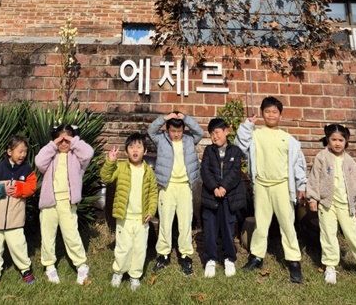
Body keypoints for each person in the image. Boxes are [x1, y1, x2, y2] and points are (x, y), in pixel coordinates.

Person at [235, 96, 306, 283]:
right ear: (262, 113)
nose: (271, 115)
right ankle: (256, 257)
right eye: (267, 111)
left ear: (280, 115)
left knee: (287, 224)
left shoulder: (289, 139)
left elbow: (298, 164)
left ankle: (294, 261)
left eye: (274, 112)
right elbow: (239, 147)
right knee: (260, 224)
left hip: (282, 185)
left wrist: (301, 185)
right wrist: (247, 126)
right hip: (261, 185)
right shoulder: (255, 135)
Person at [307, 123, 356, 284]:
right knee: (328, 234)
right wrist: (313, 198)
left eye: (341, 140)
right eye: (334, 139)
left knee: (353, 235)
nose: (337, 143)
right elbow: (314, 179)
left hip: (346, 205)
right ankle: (330, 266)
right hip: (327, 204)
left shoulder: (350, 162)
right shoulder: (321, 157)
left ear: (346, 141)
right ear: (327, 140)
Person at [35, 123, 94, 285]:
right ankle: (49, 266)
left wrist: (72, 140)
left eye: (66, 140)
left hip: (67, 203)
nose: (63, 143)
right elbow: (39, 161)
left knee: (71, 234)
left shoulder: (77, 157)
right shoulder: (51, 156)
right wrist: (52, 145)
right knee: (47, 236)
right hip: (49, 202)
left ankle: (81, 265)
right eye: (59, 140)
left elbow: (88, 153)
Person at [100, 132, 158, 291]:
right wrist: (110, 161)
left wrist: (151, 211)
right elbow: (106, 177)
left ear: (145, 151)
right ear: (126, 152)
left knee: (139, 248)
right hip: (124, 217)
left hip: (141, 219)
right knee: (123, 247)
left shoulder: (148, 172)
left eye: (139, 147)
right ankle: (118, 272)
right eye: (131, 147)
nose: (135, 150)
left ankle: (135, 275)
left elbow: (153, 193)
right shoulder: (121, 168)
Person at [148, 111, 203, 275]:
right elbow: (151, 130)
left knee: (185, 222)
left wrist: (185, 118)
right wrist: (165, 118)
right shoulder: (161, 139)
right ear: (167, 129)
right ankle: (163, 255)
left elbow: (200, 132)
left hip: (185, 186)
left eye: (179, 131)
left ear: (183, 130)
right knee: (165, 221)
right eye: (173, 131)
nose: (176, 134)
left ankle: (185, 255)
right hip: (167, 186)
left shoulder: (189, 139)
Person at [0, 135, 37, 288]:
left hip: (15, 219)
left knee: (18, 246)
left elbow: (32, 187)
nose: (23, 155)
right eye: (20, 151)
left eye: (25, 151)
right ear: (9, 151)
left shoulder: (27, 170)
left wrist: (19, 189)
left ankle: (25, 270)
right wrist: (2, 190)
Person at [200, 117, 246, 278]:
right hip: (211, 197)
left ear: (226, 131)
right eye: (211, 134)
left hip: (229, 197)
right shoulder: (208, 151)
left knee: (228, 228)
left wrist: (224, 187)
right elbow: (205, 171)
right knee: (210, 229)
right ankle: (210, 259)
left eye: (217, 132)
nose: (214, 137)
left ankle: (229, 258)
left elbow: (235, 172)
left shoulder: (235, 151)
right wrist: (214, 187)